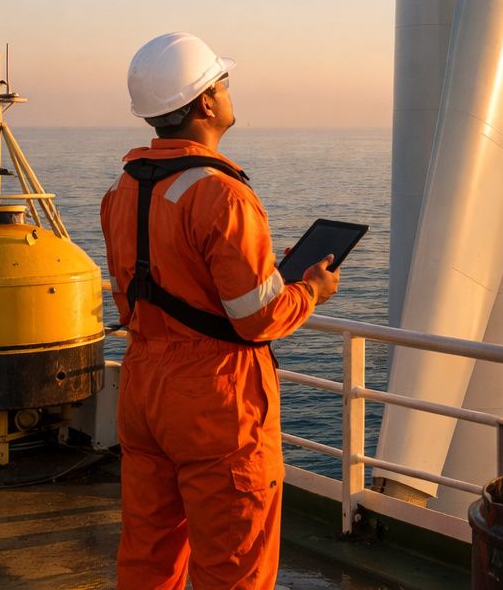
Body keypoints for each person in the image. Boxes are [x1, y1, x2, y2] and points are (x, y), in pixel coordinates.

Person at [102, 32, 340, 590]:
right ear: (205, 103)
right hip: (215, 399)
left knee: (148, 552)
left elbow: (145, 292)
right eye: (223, 82)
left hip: (143, 387)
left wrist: (262, 276)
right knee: (234, 562)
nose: (230, 92)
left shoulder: (123, 190)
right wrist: (310, 291)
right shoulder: (222, 195)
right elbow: (257, 319)